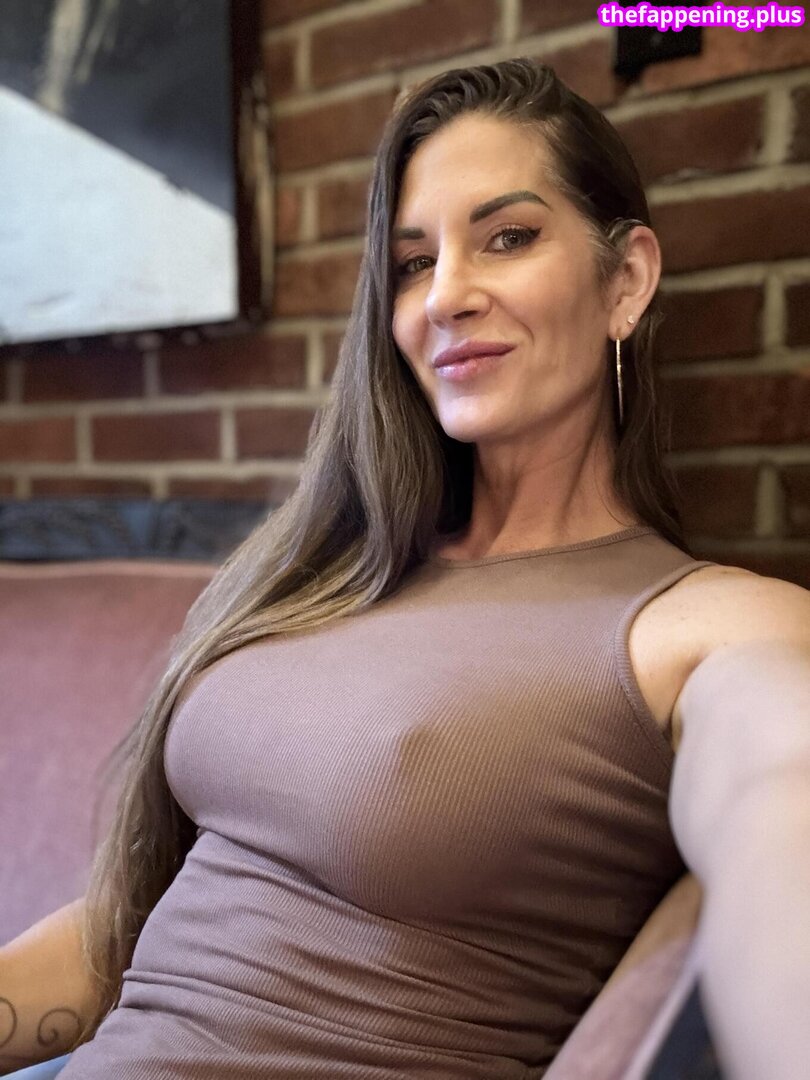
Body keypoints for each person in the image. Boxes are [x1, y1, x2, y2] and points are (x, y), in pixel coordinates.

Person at [1, 57, 808, 1080]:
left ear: (626, 280)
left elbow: (781, 793)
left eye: (508, 237)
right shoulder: (330, 573)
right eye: (415, 263)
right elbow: (141, 932)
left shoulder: (700, 625)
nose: (448, 296)